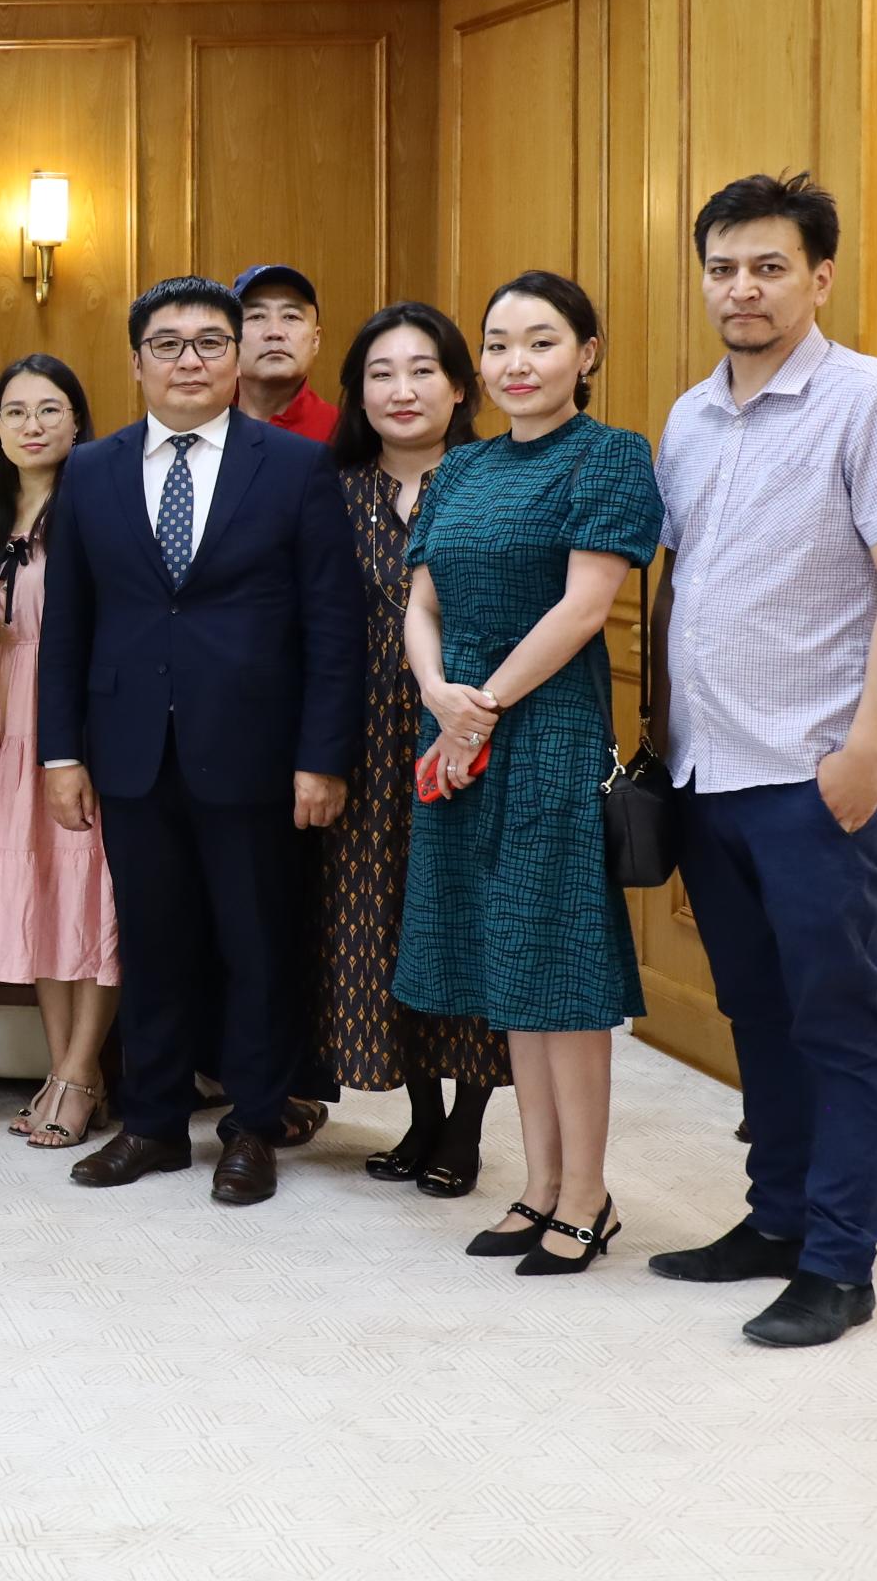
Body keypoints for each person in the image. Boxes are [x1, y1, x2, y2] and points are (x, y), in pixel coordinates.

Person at [647, 174, 877, 1348]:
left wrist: (867, 750)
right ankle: (775, 1221)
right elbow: (684, 585)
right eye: (724, 266)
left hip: (818, 772)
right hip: (707, 772)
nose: (743, 287)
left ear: (819, 277)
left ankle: (839, 1260)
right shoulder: (688, 416)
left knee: (840, 1019)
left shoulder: (873, 401)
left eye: (769, 266)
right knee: (758, 1013)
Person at [40, 276, 360, 1207]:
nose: (191, 360)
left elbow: (332, 627)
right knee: (153, 940)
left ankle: (253, 1126)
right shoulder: (93, 470)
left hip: (257, 752)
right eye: (170, 344)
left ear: (235, 357)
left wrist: (322, 756)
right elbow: (69, 625)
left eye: (210, 343)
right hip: (130, 749)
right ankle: (152, 1124)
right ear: (136, 361)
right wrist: (61, 753)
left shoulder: (295, 467)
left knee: (257, 944)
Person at [394, 271, 662, 1275]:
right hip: (460, 732)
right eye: (499, 343)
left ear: (586, 354)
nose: (516, 362)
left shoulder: (611, 455)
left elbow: (584, 608)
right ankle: (537, 1183)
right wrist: (439, 696)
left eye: (541, 342)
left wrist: (483, 707)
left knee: (560, 970)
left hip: (545, 737)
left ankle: (587, 1195)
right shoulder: (460, 471)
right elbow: (419, 605)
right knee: (507, 963)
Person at [314, 305, 509, 1200]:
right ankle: (420, 1117)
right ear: (358, 391)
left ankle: (465, 1127)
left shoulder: (491, 480)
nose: (402, 389)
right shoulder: (331, 487)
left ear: (460, 386)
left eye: (423, 370)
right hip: (362, 742)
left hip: (468, 735)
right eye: (381, 372)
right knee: (379, 926)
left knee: (461, 924)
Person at [0, 353, 117, 1151]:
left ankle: (82, 1069)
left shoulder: (96, 504)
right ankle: (63, 1067)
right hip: (2, 718)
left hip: (73, 721)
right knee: (33, 889)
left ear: (77, 419)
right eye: (15, 411)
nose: (31, 426)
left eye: (49, 409)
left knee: (88, 891)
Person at [233, 263, 338, 441]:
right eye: (256, 316)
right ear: (231, 338)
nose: (275, 332)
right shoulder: (205, 423)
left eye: (291, 317)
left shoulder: (342, 433)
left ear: (316, 340)